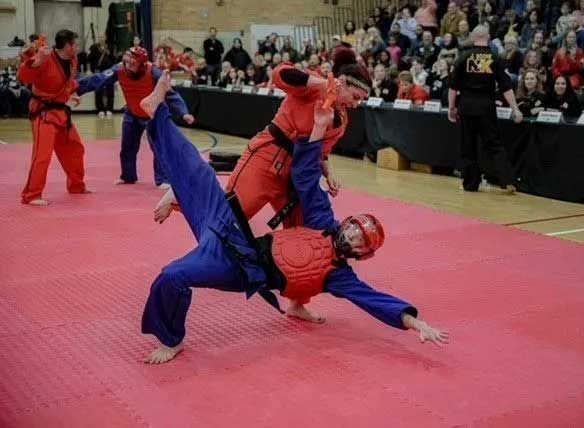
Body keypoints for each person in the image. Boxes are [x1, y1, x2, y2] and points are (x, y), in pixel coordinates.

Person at [140, 72, 449, 364]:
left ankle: (171, 338)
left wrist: (415, 322)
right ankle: (159, 113)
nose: (353, 235)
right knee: (199, 173)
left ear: (361, 254)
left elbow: (374, 300)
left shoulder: (339, 277)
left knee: (173, 276)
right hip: (232, 229)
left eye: (359, 240)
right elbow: (304, 176)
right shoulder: (323, 221)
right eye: (355, 229)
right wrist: (316, 129)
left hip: (239, 266)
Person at [156, 46, 371, 231]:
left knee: (304, 230)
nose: (356, 104)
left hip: (293, 175)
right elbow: (280, 74)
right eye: (355, 97)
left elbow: (322, 152)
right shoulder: (313, 85)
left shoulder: (342, 120)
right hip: (265, 159)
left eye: (361, 100)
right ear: (341, 82)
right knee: (226, 219)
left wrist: (329, 174)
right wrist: (321, 84)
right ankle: (180, 194)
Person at [77, 47, 194, 187]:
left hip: (153, 115)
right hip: (132, 112)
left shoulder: (155, 73)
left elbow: (171, 94)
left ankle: (162, 179)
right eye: (126, 62)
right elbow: (98, 79)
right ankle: (128, 176)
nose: (127, 66)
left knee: (159, 148)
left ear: (142, 64)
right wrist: (76, 88)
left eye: (131, 64)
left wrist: (184, 112)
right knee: (127, 146)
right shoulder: (118, 69)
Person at [17, 29, 89, 206]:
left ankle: (76, 186)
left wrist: (70, 94)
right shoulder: (45, 58)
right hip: (43, 112)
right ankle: (32, 194)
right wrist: (36, 62)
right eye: (75, 44)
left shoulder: (73, 59)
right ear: (67, 46)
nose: (77, 47)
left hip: (61, 111)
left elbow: (67, 81)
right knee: (42, 155)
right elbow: (23, 77)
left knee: (75, 148)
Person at [448, 25, 523, 193]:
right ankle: (507, 181)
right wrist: (515, 109)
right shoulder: (495, 58)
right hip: (486, 108)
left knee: (468, 147)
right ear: (488, 37)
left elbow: (453, 87)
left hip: (466, 107)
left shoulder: (463, 57)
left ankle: (470, 184)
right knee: (494, 145)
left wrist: (451, 108)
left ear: (473, 37)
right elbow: (506, 86)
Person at [87, 35, 117, 118]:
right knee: (98, 90)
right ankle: (100, 110)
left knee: (110, 90)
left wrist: (109, 53)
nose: (101, 38)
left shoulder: (110, 47)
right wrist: (90, 70)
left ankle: (109, 109)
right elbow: (89, 59)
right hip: (98, 72)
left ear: (105, 38)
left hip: (109, 72)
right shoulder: (93, 47)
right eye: (99, 37)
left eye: (102, 37)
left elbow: (114, 59)